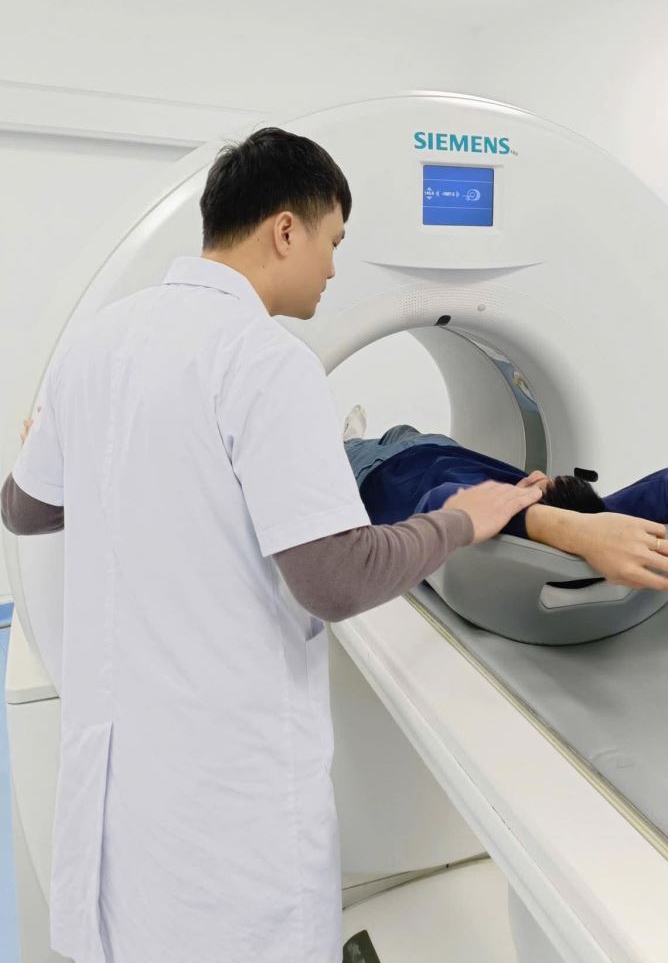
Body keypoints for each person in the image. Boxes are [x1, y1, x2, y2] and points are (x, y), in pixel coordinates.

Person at [0, 127, 546, 963]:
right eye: (333, 242)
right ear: (285, 229)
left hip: (126, 777)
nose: (333, 269)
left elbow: (24, 508)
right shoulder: (264, 360)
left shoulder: (99, 343)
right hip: (226, 793)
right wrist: (462, 521)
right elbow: (334, 578)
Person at [342, 411, 668, 591]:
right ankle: (376, 430)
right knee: (404, 429)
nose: (537, 476)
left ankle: (348, 436)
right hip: (445, 448)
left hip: (376, 470)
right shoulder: (594, 518)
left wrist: (564, 524)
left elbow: (443, 500)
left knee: (351, 446)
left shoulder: (484, 519)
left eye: (543, 486)